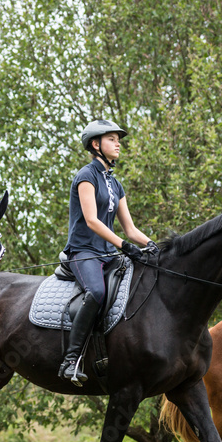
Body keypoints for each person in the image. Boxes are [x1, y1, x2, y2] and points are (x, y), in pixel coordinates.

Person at [58, 119, 156, 385]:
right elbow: (91, 220)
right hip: (84, 252)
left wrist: (153, 247)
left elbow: (131, 229)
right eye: (112, 139)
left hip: (108, 255)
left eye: (119, 140)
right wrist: (123, 245)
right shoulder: (86, 176)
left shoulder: (116, 184)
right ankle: (70, 360)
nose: (118, 144)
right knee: (97, 292)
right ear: (95, 144)